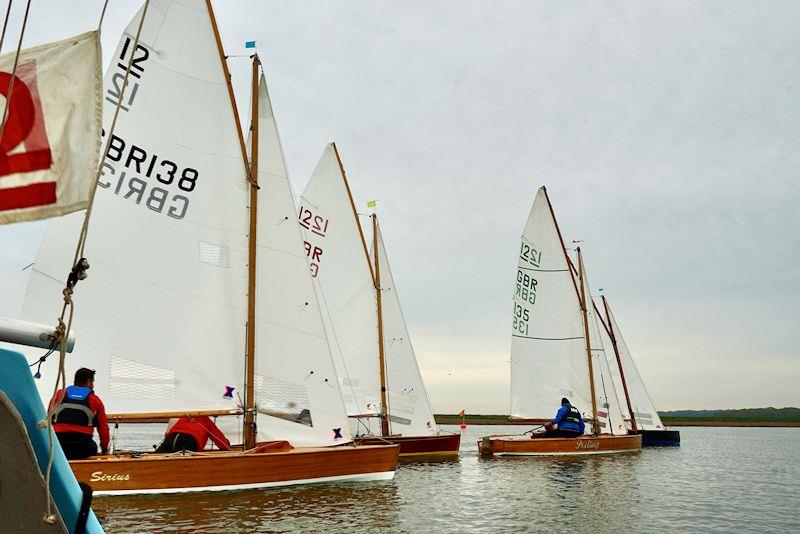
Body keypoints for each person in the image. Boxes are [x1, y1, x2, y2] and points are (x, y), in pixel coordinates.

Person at [49, 368, 110, 459]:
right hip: (83, 447)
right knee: (92, 447)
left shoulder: (59, 395)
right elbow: (103, 429)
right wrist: (105, 451)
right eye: (92, 382)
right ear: (89, 382)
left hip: (59, 447)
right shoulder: (95, 400)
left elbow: (48, 420)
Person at [155, 415, 232, 453]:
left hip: (171, 439)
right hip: (189, 441)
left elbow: (167, 433)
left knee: (156, 457)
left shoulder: (183, 417)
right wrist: (226, 446)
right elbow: (218, 438)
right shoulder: (205, 420)